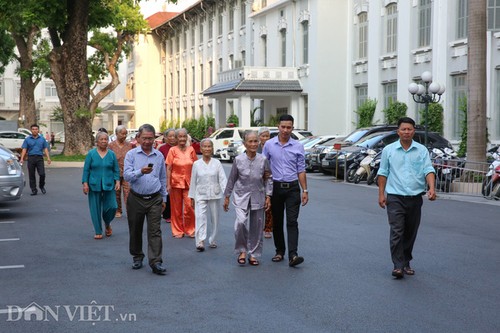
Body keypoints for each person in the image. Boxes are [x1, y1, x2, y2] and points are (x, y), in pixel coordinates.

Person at [377, 117, 436, 279]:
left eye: (409, 129)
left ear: (413, 131)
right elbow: (383, 173)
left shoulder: (421, 150)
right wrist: (381, 194)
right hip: (395, 197)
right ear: (398, 131)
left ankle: (406, 261)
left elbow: (428, 169)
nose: (406, 132)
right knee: (397, 230)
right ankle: (398, 265)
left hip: (415, 197)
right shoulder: (389, 150)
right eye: (403, 129)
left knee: (410, 232)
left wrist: (431, 188)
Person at [263, 114, 308, 267]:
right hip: (275, 188)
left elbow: (301, 170)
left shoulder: (298, 146)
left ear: (292, 128)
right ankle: (280, 251)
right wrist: (265, 192)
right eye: (283, 127)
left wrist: (305, 190)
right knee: (277, 221)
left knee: (292, 221)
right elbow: (264, 167)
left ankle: (293, 255)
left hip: (293, 188)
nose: (285, 130)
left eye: (289, 127)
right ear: (278, 127)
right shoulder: (269, 145)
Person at [124, 124, 167, 275]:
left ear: (155, 138)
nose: (147, 141)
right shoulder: (131, 155)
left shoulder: (159, 156)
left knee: (155, 231)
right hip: (136, 198)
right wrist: (141, 172)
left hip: (155, 198)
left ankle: (156, 262)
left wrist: (164, 198)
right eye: (144, 138)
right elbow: (127, 176)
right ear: (138, 138)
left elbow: (162, 177)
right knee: (135, 229)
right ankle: (137, 256)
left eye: (150, 138)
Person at [224, 131, 272, 266]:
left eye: (255, 141)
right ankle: (242, 250)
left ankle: (254, 254)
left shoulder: (263, 159)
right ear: (244, 144)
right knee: (240, 223)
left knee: (257, 226)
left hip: (259, 195)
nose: (253, 144)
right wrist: (227, 196)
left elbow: (269, 178)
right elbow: (232, 179)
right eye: (250, 141)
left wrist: (269, 195)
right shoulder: (238, 160)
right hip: (241, 196)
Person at [188, 139, 227, 252]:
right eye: (204, 146)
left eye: (209, 146)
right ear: (200, 149)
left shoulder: (217, 163)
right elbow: (193, 181)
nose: (207, 148)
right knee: (200, 217)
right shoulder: (196, 164)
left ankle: (213, 239)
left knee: (215, 218)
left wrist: (227, 195)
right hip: (200, 194)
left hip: (214, 193)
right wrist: (192, 197)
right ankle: (200, 241)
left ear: (212, 148)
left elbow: (223, 179)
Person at [82, 131, 120, 239]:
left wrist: (117, 181)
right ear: (97, 141)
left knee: (113, 206)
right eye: (101, 139)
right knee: (95, 208)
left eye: (106, 139)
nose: (104, 141)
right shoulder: (91, 154)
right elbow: (86, 170)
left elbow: (116, 169)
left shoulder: (111, 154)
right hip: (94, 184)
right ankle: (98, 230)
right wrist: (85, 183)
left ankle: (107, 223)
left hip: (109, 183)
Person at [166, 128, 198, 238]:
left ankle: (190, 229)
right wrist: (168, 184)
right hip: (175, 182)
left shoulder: (191, 149)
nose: (182, 139)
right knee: (176, 208)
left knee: (189, 207)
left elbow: (196, 166)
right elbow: (169, 168)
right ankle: (178, 230)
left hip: (190, 183)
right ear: (176, 138)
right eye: (180, 136)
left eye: (184, 136)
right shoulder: (172, 150)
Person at [108, 125, 135, 218]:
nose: (124, 136)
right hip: (115, 173)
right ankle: (118, 210)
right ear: (116, 134)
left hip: (127, 172)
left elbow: (132, 158)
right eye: (122, 134)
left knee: (128, 192)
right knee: (116, 192)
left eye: (125, 134)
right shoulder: (111, 145)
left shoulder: (129, 145)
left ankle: (130, 210)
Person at [20, 124, 52, 196]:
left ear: (38, 130)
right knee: (31, 175)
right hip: (31, 158)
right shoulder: (27, 139)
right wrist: (22, 158)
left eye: (36, 129)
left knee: (42, 174)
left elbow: (45, 148)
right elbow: (24, 149)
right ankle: (34, 189)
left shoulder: (42, 139)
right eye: (33, 129)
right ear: (31, 130)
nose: (35, 130)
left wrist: (48, 158)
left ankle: (41, 186)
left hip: (39, 158)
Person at [158, 128, 177, 223]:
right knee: (167, 195)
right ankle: (167, 214)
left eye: (174, 136)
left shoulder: (180, 147)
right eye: (170, 136)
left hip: (178, 175)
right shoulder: (162, 148)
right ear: (165, 137)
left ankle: (177, 214)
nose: (172, 138)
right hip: (166, 174)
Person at [257, 127, 273, 239]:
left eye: (267, 136)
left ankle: (268, 228)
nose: (265, 138)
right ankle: (256, 227)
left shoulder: (273, 147)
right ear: (259, 137)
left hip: (270, 179)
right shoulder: (255, 148)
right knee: (257, 205)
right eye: (263, 136)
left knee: (269, 205)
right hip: (257, 180)